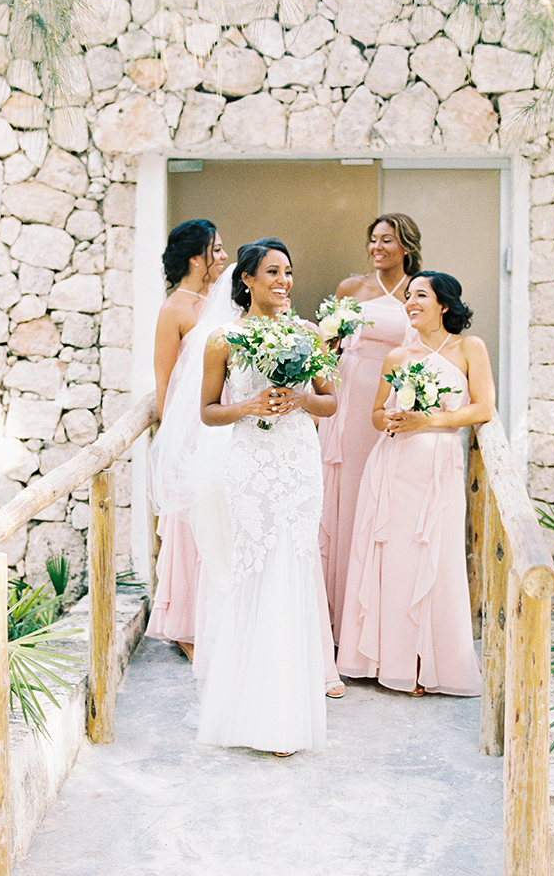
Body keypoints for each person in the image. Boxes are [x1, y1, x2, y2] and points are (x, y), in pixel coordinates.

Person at [196, 239, 337, 755]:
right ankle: (247, 713)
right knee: (254, 572)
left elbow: (331, 403)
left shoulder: (307, 333)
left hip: (299, 465)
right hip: (250, 466)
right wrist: (248, 404)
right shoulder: (223, 339)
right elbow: (207, 410)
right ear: (248, 279)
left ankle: (286, 720)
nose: (284, 281)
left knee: (293, 571)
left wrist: (300, 398)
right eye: (272, 272)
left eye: (289, 271)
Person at [337, 272, 495, 697]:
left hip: (438, 468)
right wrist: (388, 419)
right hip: (392, 467)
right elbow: (374, 413)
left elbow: (483, 408)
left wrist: (432, 421)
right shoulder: (397, 356)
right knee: (393, 560)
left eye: (420, 295)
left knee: (435, 561)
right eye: (408, 296)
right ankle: (390, 661)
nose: (410, 301)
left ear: (444, 304)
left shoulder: (469, 348)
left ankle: (428, 662)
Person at [318, 213, 422, 642]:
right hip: (352, 396)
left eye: (387, 240)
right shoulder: (351, 288)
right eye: (373, 240)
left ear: (406, 245)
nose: (378, 248)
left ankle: (381, 623)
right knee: (347, 495)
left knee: (387, 502)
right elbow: (327, 348)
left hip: (396, 397)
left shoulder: (421, 288)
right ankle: (335, 620)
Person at [146, 220, 228, 661]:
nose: (223, 255)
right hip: (189, 429)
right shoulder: (174, 309)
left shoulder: (226, 301)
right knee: (189, 526)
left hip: (223, 420)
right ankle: (187, 628)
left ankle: (221, 618)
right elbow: (165, 382)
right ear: (196, 257)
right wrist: (173, 441)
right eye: (216, 248)